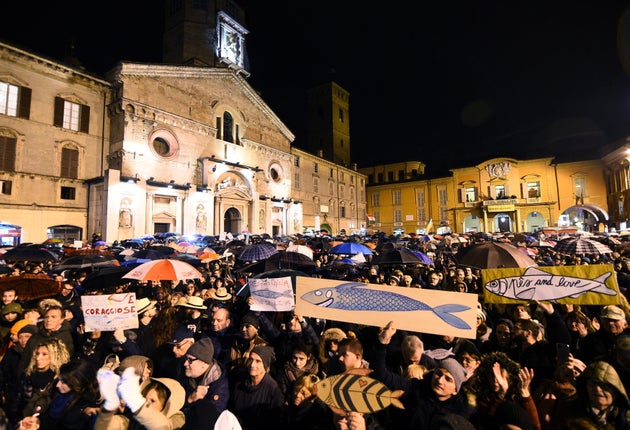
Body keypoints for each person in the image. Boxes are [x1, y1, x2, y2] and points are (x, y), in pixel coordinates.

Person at [370, 321, 478, 428]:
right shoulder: (415, 388)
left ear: (455, 390)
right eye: (438, 374)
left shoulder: (463, 413)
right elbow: (381, 376)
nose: (440, 380)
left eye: (448, 379)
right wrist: (382, 343)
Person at [95, 365, 186, 430]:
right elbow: (119, 424)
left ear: (167, 405)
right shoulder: (139, 418)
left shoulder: (178, 419)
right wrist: (105, 413)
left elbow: (163, 427)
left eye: (152, 401)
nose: (146, 404)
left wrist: (136, 402)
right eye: (145, 399)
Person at [19, 359, 100, 430]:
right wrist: (37, 420)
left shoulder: (85, 411)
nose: (58, 385)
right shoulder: (64, 395)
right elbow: (51, 419)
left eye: (64, 382)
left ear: (77, 384)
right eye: (59, 379)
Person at [551, 360, 630, 429]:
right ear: (585, 387)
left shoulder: (627, 418)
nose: (597, 389)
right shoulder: (568, 412)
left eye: (603, 385)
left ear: (615, 390)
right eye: (592, 383)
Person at [229, 345, 284, 430]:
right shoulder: (239, 380)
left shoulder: (273, 390)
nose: (252, 364)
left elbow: (275, 422)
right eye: (251, 359)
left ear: (265, 365)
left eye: (258, 361)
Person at [17, 337, 71, 424]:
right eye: (37, 354)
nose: (38, 358)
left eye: (44, 354)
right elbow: (18, 403)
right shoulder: (28, 376)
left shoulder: (60, 382)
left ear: (55, 356)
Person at [179, 337, 230, 418]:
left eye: (190, 360)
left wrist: (193, 402)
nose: (185, 363)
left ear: (204, 363)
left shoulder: (219, 388)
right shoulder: (185, 375)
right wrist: (190, 399)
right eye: (186, 359)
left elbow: (208, 419)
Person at [18, 304, 75, 376]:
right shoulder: (35, 337)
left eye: (53, 317)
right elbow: (25, 359)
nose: (49, 320)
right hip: (31, 378)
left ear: (61, 320)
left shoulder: (67, 337)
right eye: (46, 317)